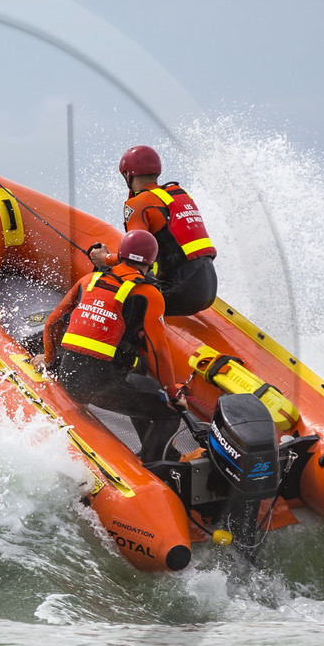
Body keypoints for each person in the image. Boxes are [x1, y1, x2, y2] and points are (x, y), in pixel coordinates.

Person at [45, 229, 185, 463]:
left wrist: (49, 360)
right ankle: (153, 468)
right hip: (100, 388)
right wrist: (173, 392)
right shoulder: (148, 294)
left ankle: (157, 452)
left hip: (67, 376)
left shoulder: (88, 280)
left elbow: (51, 324)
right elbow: (159, 350)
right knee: (169, 413)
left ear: (120, 255)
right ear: (151, 262)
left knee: (138, 379)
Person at [88, 145, 219, 317]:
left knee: (110, 293)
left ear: (128, 175)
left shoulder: (138, 203)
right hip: (208, 288)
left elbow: (133, 256)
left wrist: (104, 259)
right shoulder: (178, 194)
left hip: (179, 290)